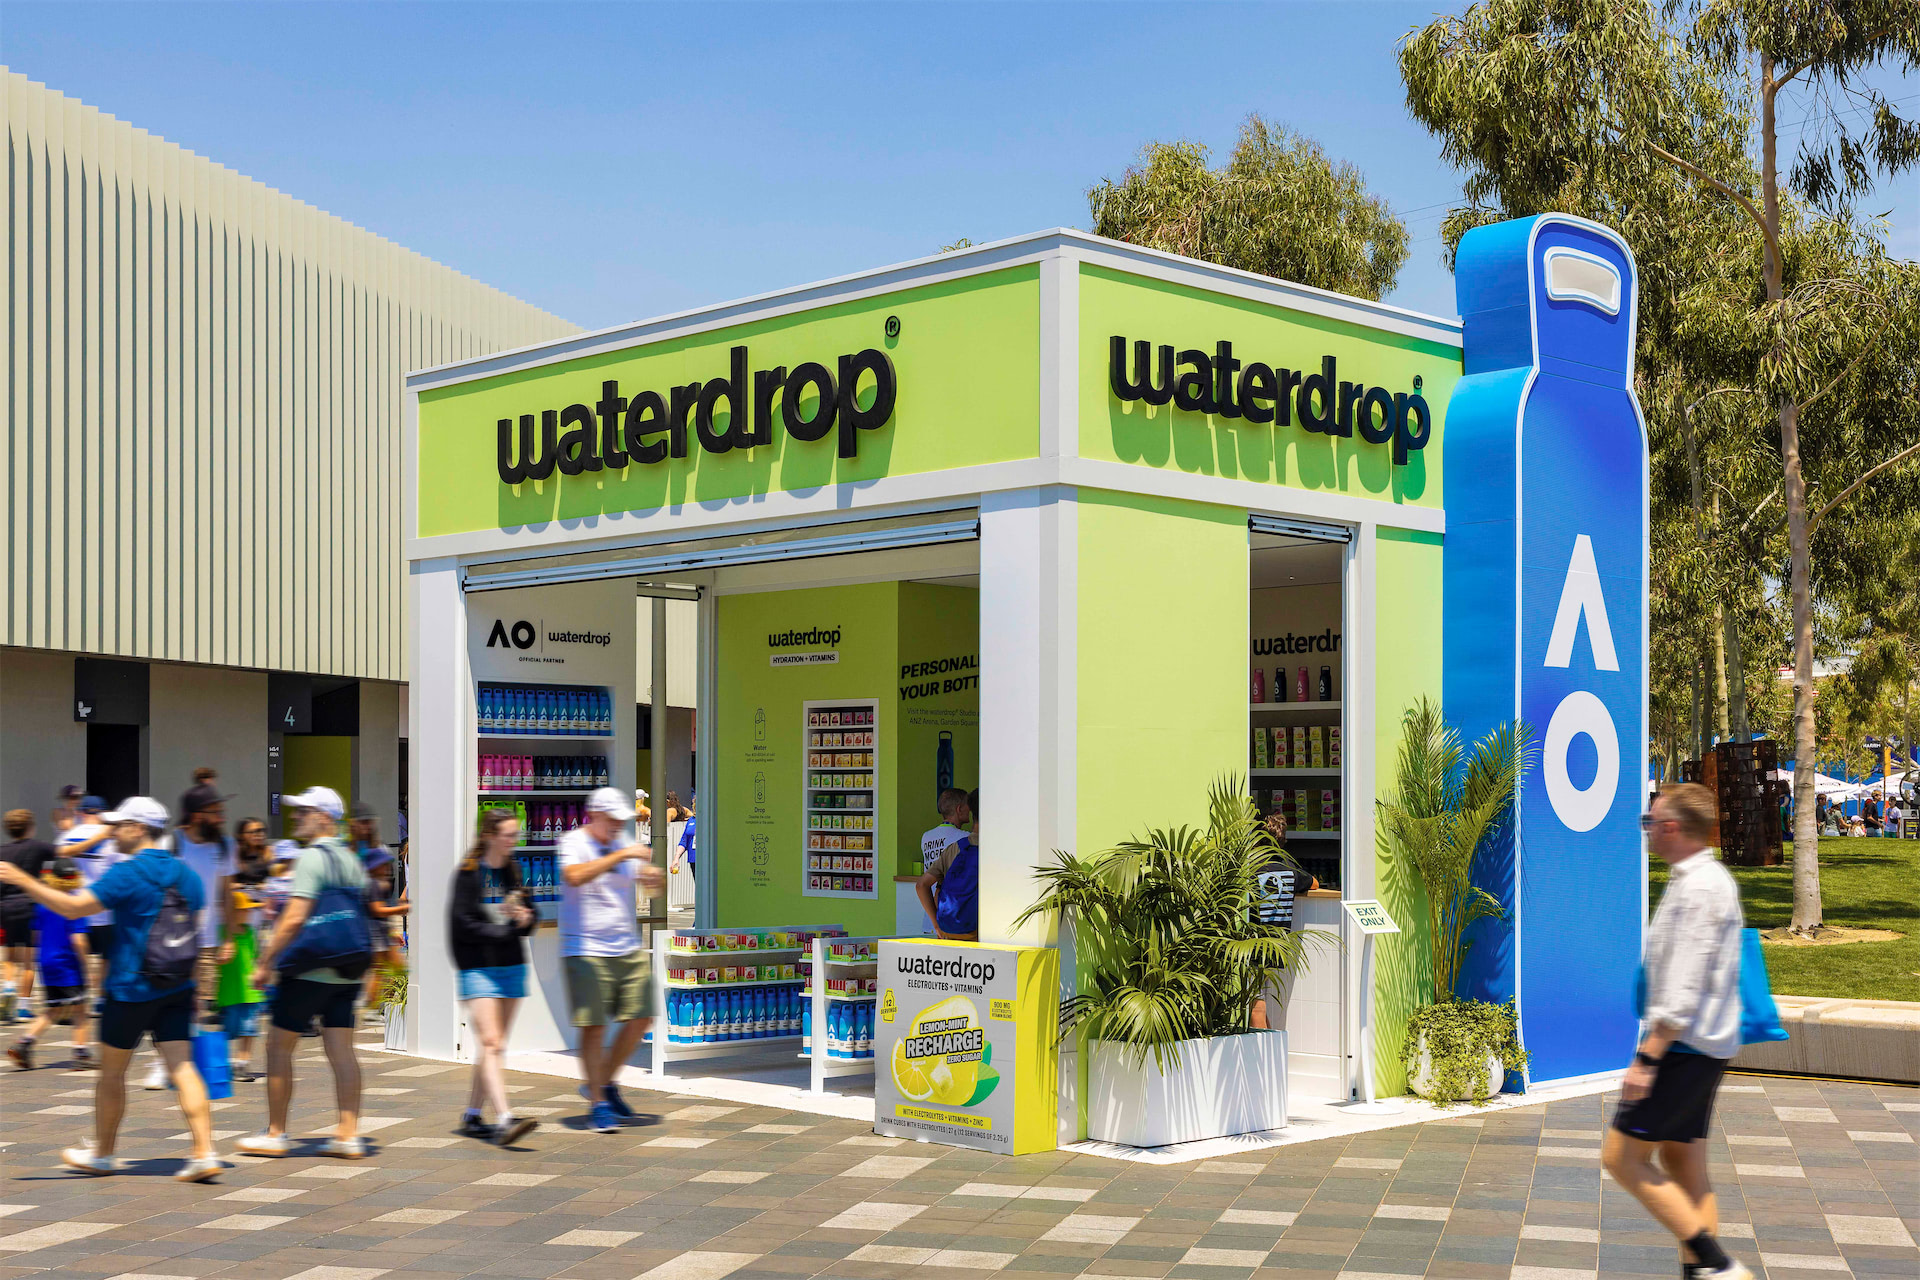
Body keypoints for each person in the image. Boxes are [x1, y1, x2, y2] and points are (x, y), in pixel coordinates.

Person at [0, 796, 224, 1181]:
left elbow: (73, 908)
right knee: (183, 1066)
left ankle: (103, 1155)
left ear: (138, 828)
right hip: (176, 985)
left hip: (130, 987)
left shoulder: (128, 872)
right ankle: (204, 1152)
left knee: (111, 1073)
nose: (113, 832)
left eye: (119, 825)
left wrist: (23, 881)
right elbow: (198, 926)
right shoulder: (186, 874)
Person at [1602, 783, 1750, 1280]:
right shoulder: (1702, 879)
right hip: (1705, 1045)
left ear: (1669, 828)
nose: (1646, 831)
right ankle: (1705, 1274)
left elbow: (1683, 987)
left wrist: (1647, 1058)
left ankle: (1718, 1265)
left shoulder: (1699, 888)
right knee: (1685, 1166)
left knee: (1621, 1158)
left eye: (1649, 822)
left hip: (1684, 1047)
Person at [236, 786, 370, 1159]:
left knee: (278, 1047)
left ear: (324, 818)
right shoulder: (350, 859)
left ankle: (276, 1133)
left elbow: (295, 916)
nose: (296, 817)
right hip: (348, 968)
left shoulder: (311, 858)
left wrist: (265, 962)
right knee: (341, 1051)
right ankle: (348, 1134)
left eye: (304, 812)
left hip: (310, 969)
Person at [558, 786, 664, 1133]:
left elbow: (647, 885)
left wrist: (652, 879)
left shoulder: (621, 843)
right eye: (614, 819)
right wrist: (620, 858)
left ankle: (601, 1083)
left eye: (623, 819)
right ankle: (599, 1104)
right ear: (596, 815)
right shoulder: (574, 842)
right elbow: (574, 876)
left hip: (626, 946)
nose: (620, 825)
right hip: (585, 948)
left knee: (642, 1016)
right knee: (595, 1026)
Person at [451, 808, 539, 1146]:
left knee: (492, 1046)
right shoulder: (469, 872)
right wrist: (502, 931)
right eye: (507, 835)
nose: (513, 841)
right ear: (489, 835)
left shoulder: (513, 870)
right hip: (477, 968)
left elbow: (530, 919)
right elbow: (460, 923)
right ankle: (504, 1118)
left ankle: (473, 1114)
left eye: (515, 835)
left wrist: (525, 917)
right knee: (492, 1043)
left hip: (511, 966)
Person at [148, 783, 234, 1089]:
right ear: (197, 815)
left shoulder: (224, 847)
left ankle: (181, 1062)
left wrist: (230, 937)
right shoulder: (171, 844)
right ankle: (162, 1061)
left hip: (208, 943)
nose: (222, 817)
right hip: (170, 940)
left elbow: (227, 894)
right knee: (168, 1001)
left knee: (198, 1004)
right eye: (216, 812)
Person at [5, 857, 92, 1069]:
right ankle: (81, 1054)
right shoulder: (74, 902)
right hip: (68, 964)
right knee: (81, 1010)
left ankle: (24, 1043)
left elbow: (35, 935)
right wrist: (86, 964)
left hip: (47, 963)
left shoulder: (43, 905)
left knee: (53, 1010)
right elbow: (78, 940)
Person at [59, 797, 120, 999]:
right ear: (103, 814)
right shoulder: (113, 839)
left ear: (80, 813)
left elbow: (55, 864)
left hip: (75, 908)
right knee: (107, 957)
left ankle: (81, 993)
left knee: (77, 956)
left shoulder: (68, 836)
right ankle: (100, 997)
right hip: (104, 909)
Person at [1, 810, 57, 1023]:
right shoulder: (37, 847)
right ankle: (24, 1007)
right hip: (29, 907)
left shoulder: (2, 851)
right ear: (30, 827)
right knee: (28, 960)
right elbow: (64, 851)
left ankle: (7, 988)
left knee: (10, 956)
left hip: (5, 908)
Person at [215, 866, 268, 1082]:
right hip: (229, 991)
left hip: (251, 992)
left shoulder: (250, 933)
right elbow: (215, 960)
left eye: (249, 910)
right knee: (228, 1030)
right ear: (232, 912)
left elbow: (256, 957)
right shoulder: (220, 934)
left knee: (249, 1029)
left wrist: (261, 974)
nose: (248, 913)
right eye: (244, 910)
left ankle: (242, 1063)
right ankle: (224, 1063)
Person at [916, 788, 979, 940]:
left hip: (936, 917)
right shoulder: (963, 840)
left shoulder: (926, 836)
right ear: (959, 809)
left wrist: (936, 924)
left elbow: (922, 884)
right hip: (965, 921)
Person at [918, 788, 972, 881]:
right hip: (951, 895)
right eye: (968, 805)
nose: (970, 809)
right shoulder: (966, 838)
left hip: (930, 894)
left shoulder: (926, 836)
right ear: (959, 809)